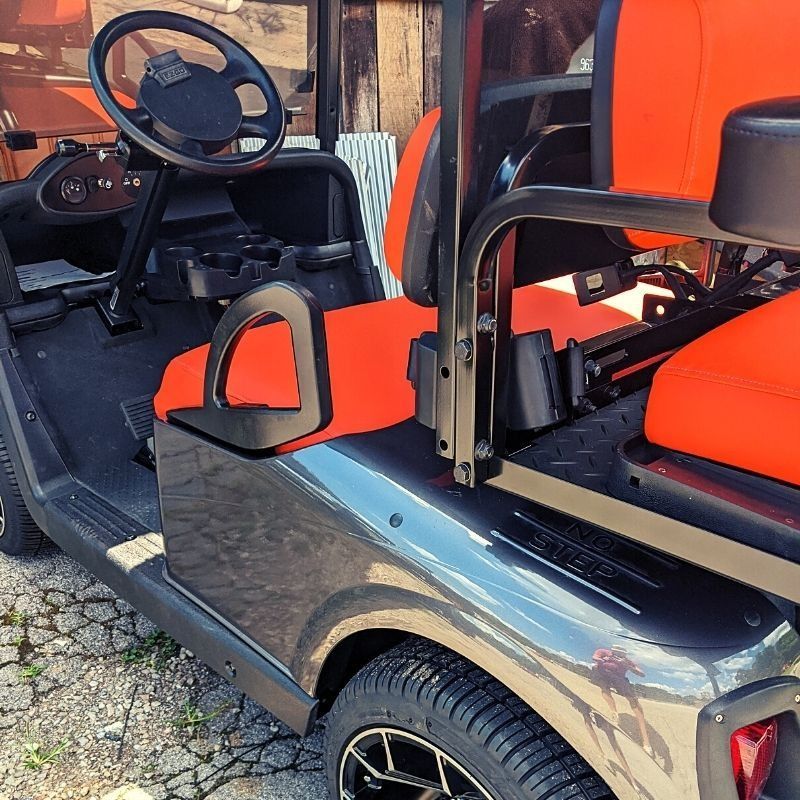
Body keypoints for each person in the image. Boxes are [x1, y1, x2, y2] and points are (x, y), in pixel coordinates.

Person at [592, 644, 654, 757]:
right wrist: (602, 660)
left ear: (624, 654)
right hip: (603, 673)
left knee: (633, 700)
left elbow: (642, 674)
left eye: (620, 653)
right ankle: (614, 712)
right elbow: (595, 657)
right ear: (612, 651)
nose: (617, 655)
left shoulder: (626, 661)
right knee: (604, 688)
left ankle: (646, 742)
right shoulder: (604, 652)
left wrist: (628, 666)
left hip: (619, 678)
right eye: (615, 652)